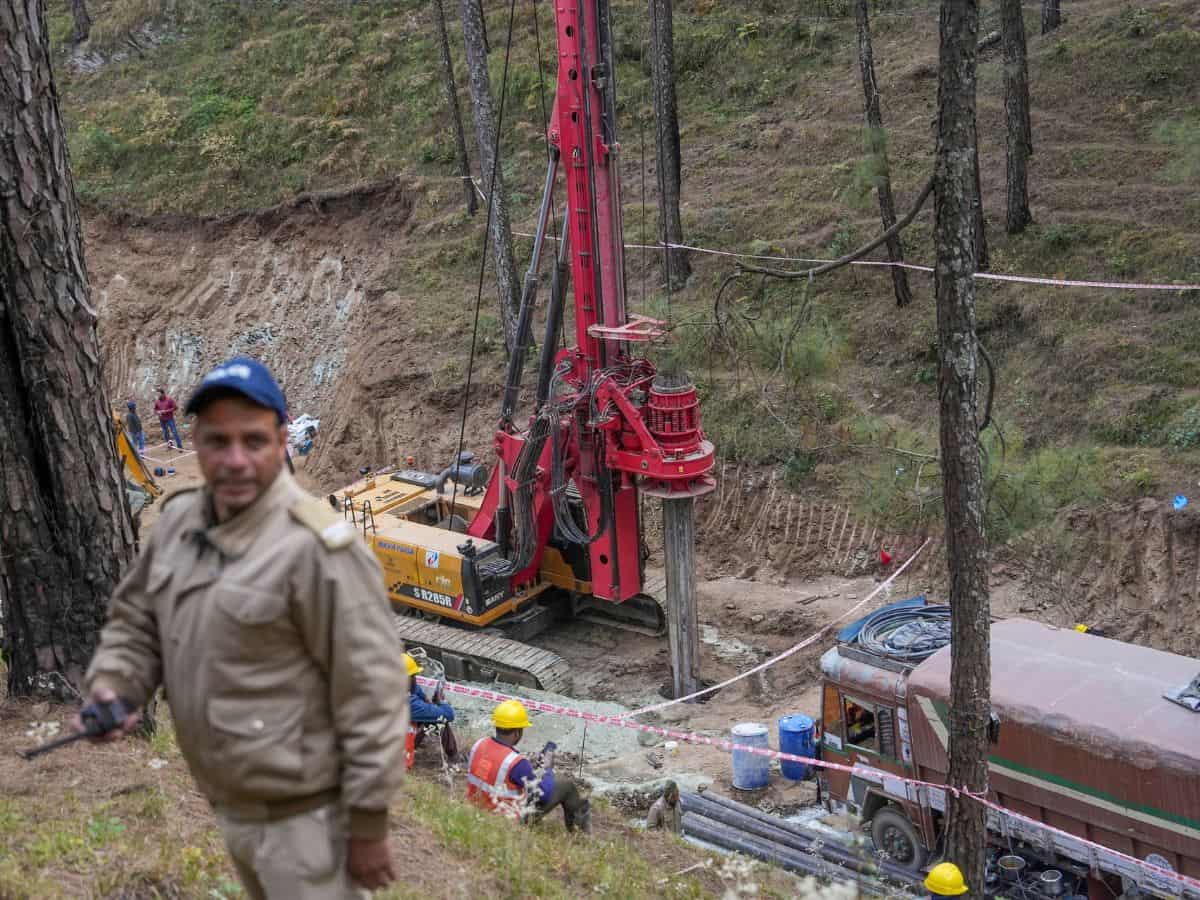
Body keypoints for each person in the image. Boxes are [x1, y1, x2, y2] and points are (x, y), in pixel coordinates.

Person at [79, 356, 408, 899]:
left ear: (283, 442)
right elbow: (137, 620)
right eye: (217, 441)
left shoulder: (319, 552)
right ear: (196, 440)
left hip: (308, 823)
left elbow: (373, 695)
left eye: (253, 441)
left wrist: (368, 825)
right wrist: (116, 684)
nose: (234, 460)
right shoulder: (180, 520)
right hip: (231, 805)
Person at [466, 699, 590, 832]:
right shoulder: (516, 763)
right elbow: (543, 795)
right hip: (505, 819)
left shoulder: (479, 744)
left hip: (478, 808)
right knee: (566, 785)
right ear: (517, 733)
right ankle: (579, 834)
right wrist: (548, 769)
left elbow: (498, 771)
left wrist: (530, 767)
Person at [405, 654, 454, 725]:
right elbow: (448, 715)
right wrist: (441, 701)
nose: (415, 680)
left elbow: (416, 689)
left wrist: (426, 700)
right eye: (413, 676)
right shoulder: (409, 704)